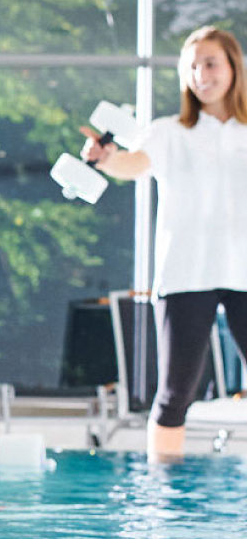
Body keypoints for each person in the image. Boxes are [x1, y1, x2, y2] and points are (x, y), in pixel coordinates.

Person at [80, 24, 247, 459]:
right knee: (175, 393)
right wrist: (106, 159)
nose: (200, 74)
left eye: (210, 63)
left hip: (244, 272)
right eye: (191, 66)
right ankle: (162, 496)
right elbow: (132, 164)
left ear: (233, 66)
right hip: (185, 273)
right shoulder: (170, 131)